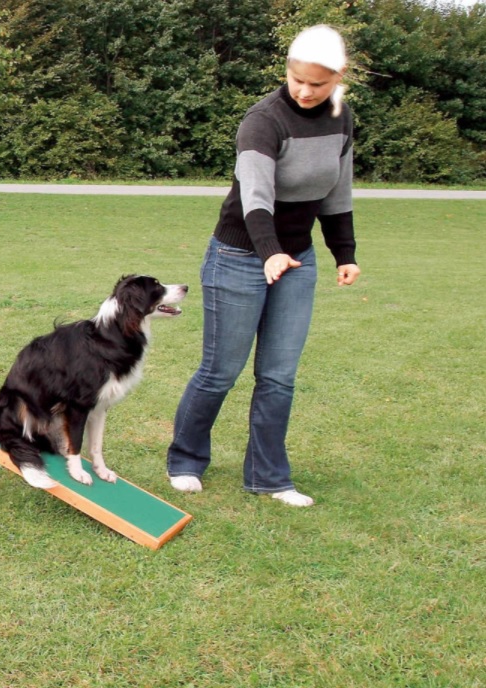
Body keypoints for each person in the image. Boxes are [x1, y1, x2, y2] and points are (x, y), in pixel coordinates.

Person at [166, 25, 361, 507]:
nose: (304, 91)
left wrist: (345, 254)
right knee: (220, 371)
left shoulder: (341, 117)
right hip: (239, 255)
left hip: (297, 259)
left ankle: (269, 477)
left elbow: (338, 191)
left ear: (338, 78)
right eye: (297, 79)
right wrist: (269, 250)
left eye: (317, 83)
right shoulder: (263, 120)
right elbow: (256, 198)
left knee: (278, 376)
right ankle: (186, 460)